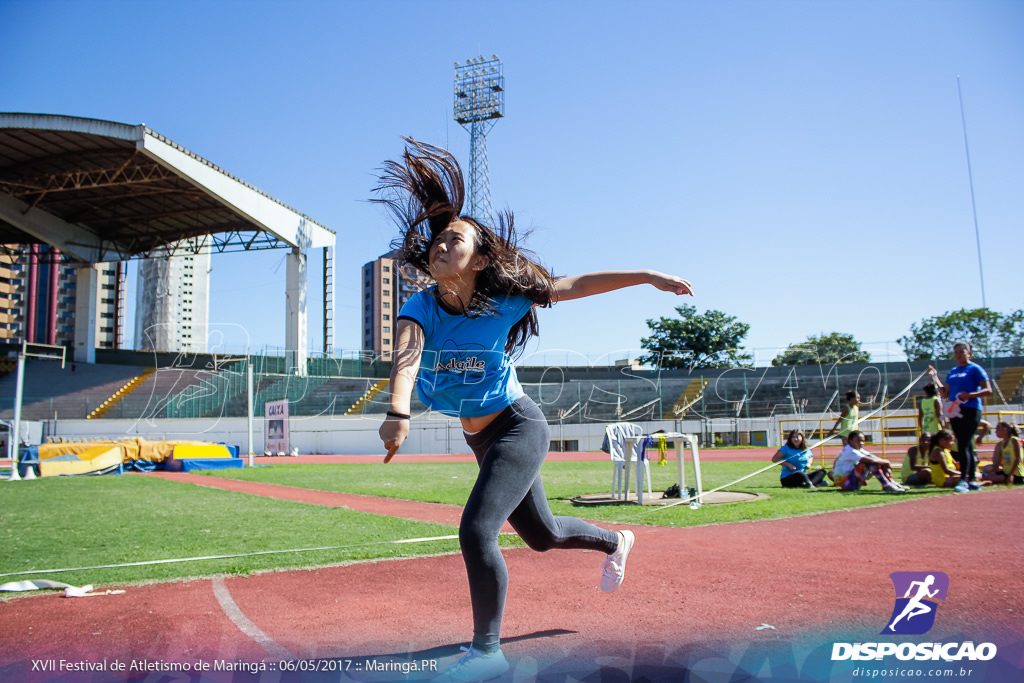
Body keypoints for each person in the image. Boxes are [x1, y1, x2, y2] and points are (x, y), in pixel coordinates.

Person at [373, 138, 694, 682]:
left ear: (478, 259)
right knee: (542, 535)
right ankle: (617, 540)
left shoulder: (508, 298)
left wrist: (647, 275)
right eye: (438, 240)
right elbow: (406, 357)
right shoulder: (420, 305)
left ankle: (487, 652)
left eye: (456, 240)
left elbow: (574, 284)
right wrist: (398, 409)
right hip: (480, 438)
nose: (441, 246)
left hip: (517, 426)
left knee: (477, 530)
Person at [931, 342, 992, 492]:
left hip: (971, 409)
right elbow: (945, 393)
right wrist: (934, 377)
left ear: (969, 352)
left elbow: (988, 389)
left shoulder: (975, 369)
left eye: (961, 352)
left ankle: (964, 479)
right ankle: (971, 479)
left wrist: (970, 395)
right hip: (955, 410)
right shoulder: (953, 371)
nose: (958, 355)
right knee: (966, 444)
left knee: (963, 443)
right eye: (956, 352)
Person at [831, 430, 907, 492]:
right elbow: (872, 461)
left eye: (863, 441)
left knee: (877, 462)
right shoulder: (850, 451)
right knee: (870, 463)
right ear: (850, 441)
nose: (861, 443)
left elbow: (873, 457)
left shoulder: (857, 449)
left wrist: (885, 464)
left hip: (850, 480)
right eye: (858, 441)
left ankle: (890, 482)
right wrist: (887, 463)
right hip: (847, 484)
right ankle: (886, 485)